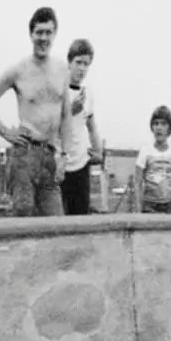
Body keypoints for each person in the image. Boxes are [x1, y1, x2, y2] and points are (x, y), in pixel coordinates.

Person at [0, 6, 68, 217]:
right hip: (25, 156)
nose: (43, 38)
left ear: (55, 34)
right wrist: (7, 133)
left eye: (48, 32)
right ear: (31, 34)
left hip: (50, 156)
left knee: (56, 225)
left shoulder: (62, 69)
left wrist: (65, 155)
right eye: (39, 32)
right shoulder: (19, 70)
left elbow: (66, 115)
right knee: (24, 223)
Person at [56, 39, 101, 215]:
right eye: (78, 62)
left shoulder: (88, 94)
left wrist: (99, 152)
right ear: (69, 62)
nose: (82, 68)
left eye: (86, 64)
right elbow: (48, 126)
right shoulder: (58, 89)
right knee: (58, 219)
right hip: (59, 163)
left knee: (80, 217)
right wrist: (71, 111)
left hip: (81, 163)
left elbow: (91, 126)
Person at [135, 106, 171, 214]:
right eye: (156, 123)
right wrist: (138, 213)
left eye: (163, 124)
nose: (159, 127)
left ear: (169, 128)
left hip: (168, 207)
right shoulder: (145, 152)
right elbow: (137, 183)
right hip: (149, 206)